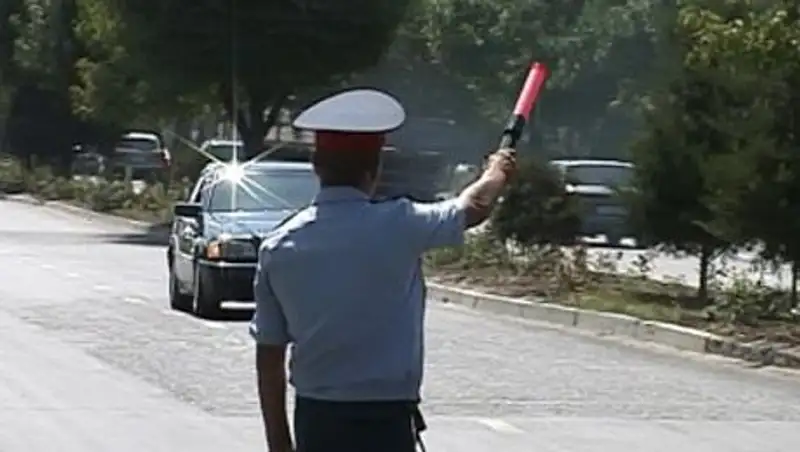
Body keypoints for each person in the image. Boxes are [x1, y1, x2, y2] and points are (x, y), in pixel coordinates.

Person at [250, 88, 516, 452]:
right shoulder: (400, 224)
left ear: (317, 167)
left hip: (318, 421)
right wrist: (497, 170)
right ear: (374, 169)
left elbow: (269, 355)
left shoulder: (279, 247)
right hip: (387, 422)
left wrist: (279, 445)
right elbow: (474, 207)